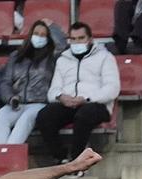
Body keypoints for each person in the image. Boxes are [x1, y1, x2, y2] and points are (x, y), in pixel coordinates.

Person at [37, 22, 119, 166]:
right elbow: (53, 91)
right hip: (69, 103)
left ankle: (77, 162)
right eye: (73, 39)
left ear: (90, 39)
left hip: (96, 104)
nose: (76, 42)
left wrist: (87, 98)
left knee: (83, 115)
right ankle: (60, 158)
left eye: (81, 38)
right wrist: (61, 97)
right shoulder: (63, 60)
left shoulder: (105, 57)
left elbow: (112, 88)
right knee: (44, 116)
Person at [0, 19, 68, 145]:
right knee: (0, 119)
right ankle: (1, 156)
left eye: (43, 35)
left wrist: (52, 26)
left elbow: (62, 44)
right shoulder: (16, 56)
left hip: (39, 103)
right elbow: (5, 82)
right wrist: (10, 98)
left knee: (25, 120)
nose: (39, 37)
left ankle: (9, 157)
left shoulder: (52, 56)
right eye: (36, 33)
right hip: (16, 103)